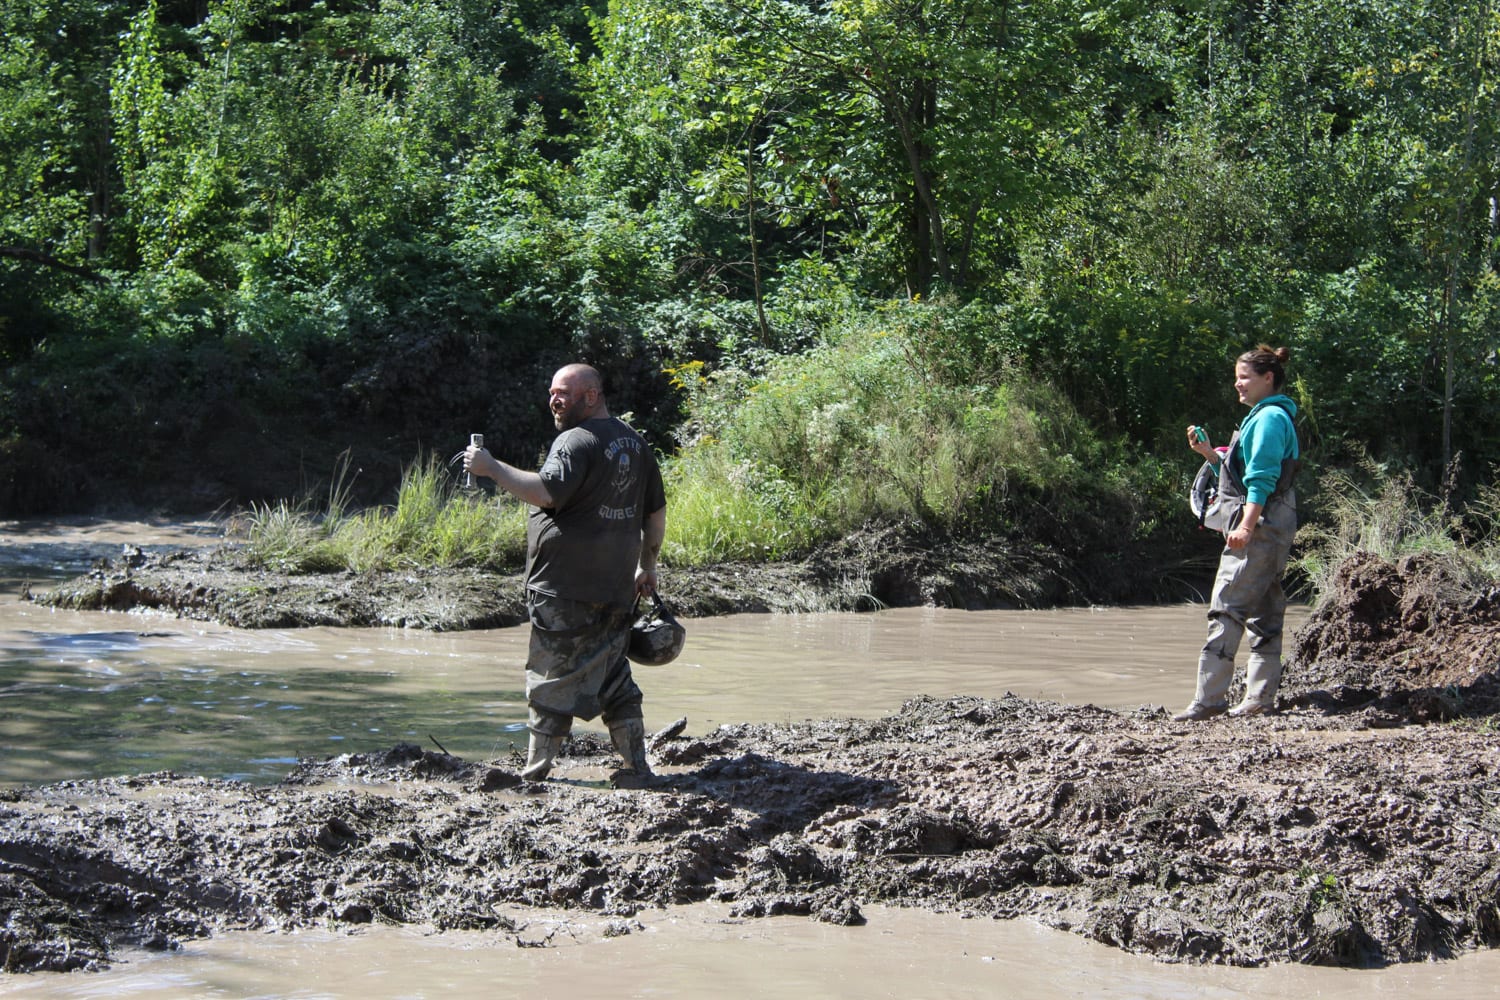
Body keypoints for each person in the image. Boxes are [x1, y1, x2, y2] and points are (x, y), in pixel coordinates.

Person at [464, 363, 667, 781]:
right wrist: (647, 567)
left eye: (563, 393)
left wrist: (491, 468)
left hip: (563, 589)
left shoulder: (575, 440)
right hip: (615, 588)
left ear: (590, 396)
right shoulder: (634, 442)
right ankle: (636, 767)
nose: (553, 401)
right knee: (614, 678)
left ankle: (536, 771)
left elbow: (546, 493)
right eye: (552, 393)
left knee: (549, 678)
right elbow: (656, 514)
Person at [1173, 345, 1301, 721]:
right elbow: (1239, 476)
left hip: (1260, 527)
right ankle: (1260, 698)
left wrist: (1246, 525)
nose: (1238, 384)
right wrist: (1209, 454)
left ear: (1268, 378)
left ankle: (1210, 700)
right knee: (1265, 611)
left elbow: (1261, 479)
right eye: (1236, 378)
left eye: (1244, 377)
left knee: (1226, 607)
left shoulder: (1269, 419)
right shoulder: (1266, 417)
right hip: (1275, 527)